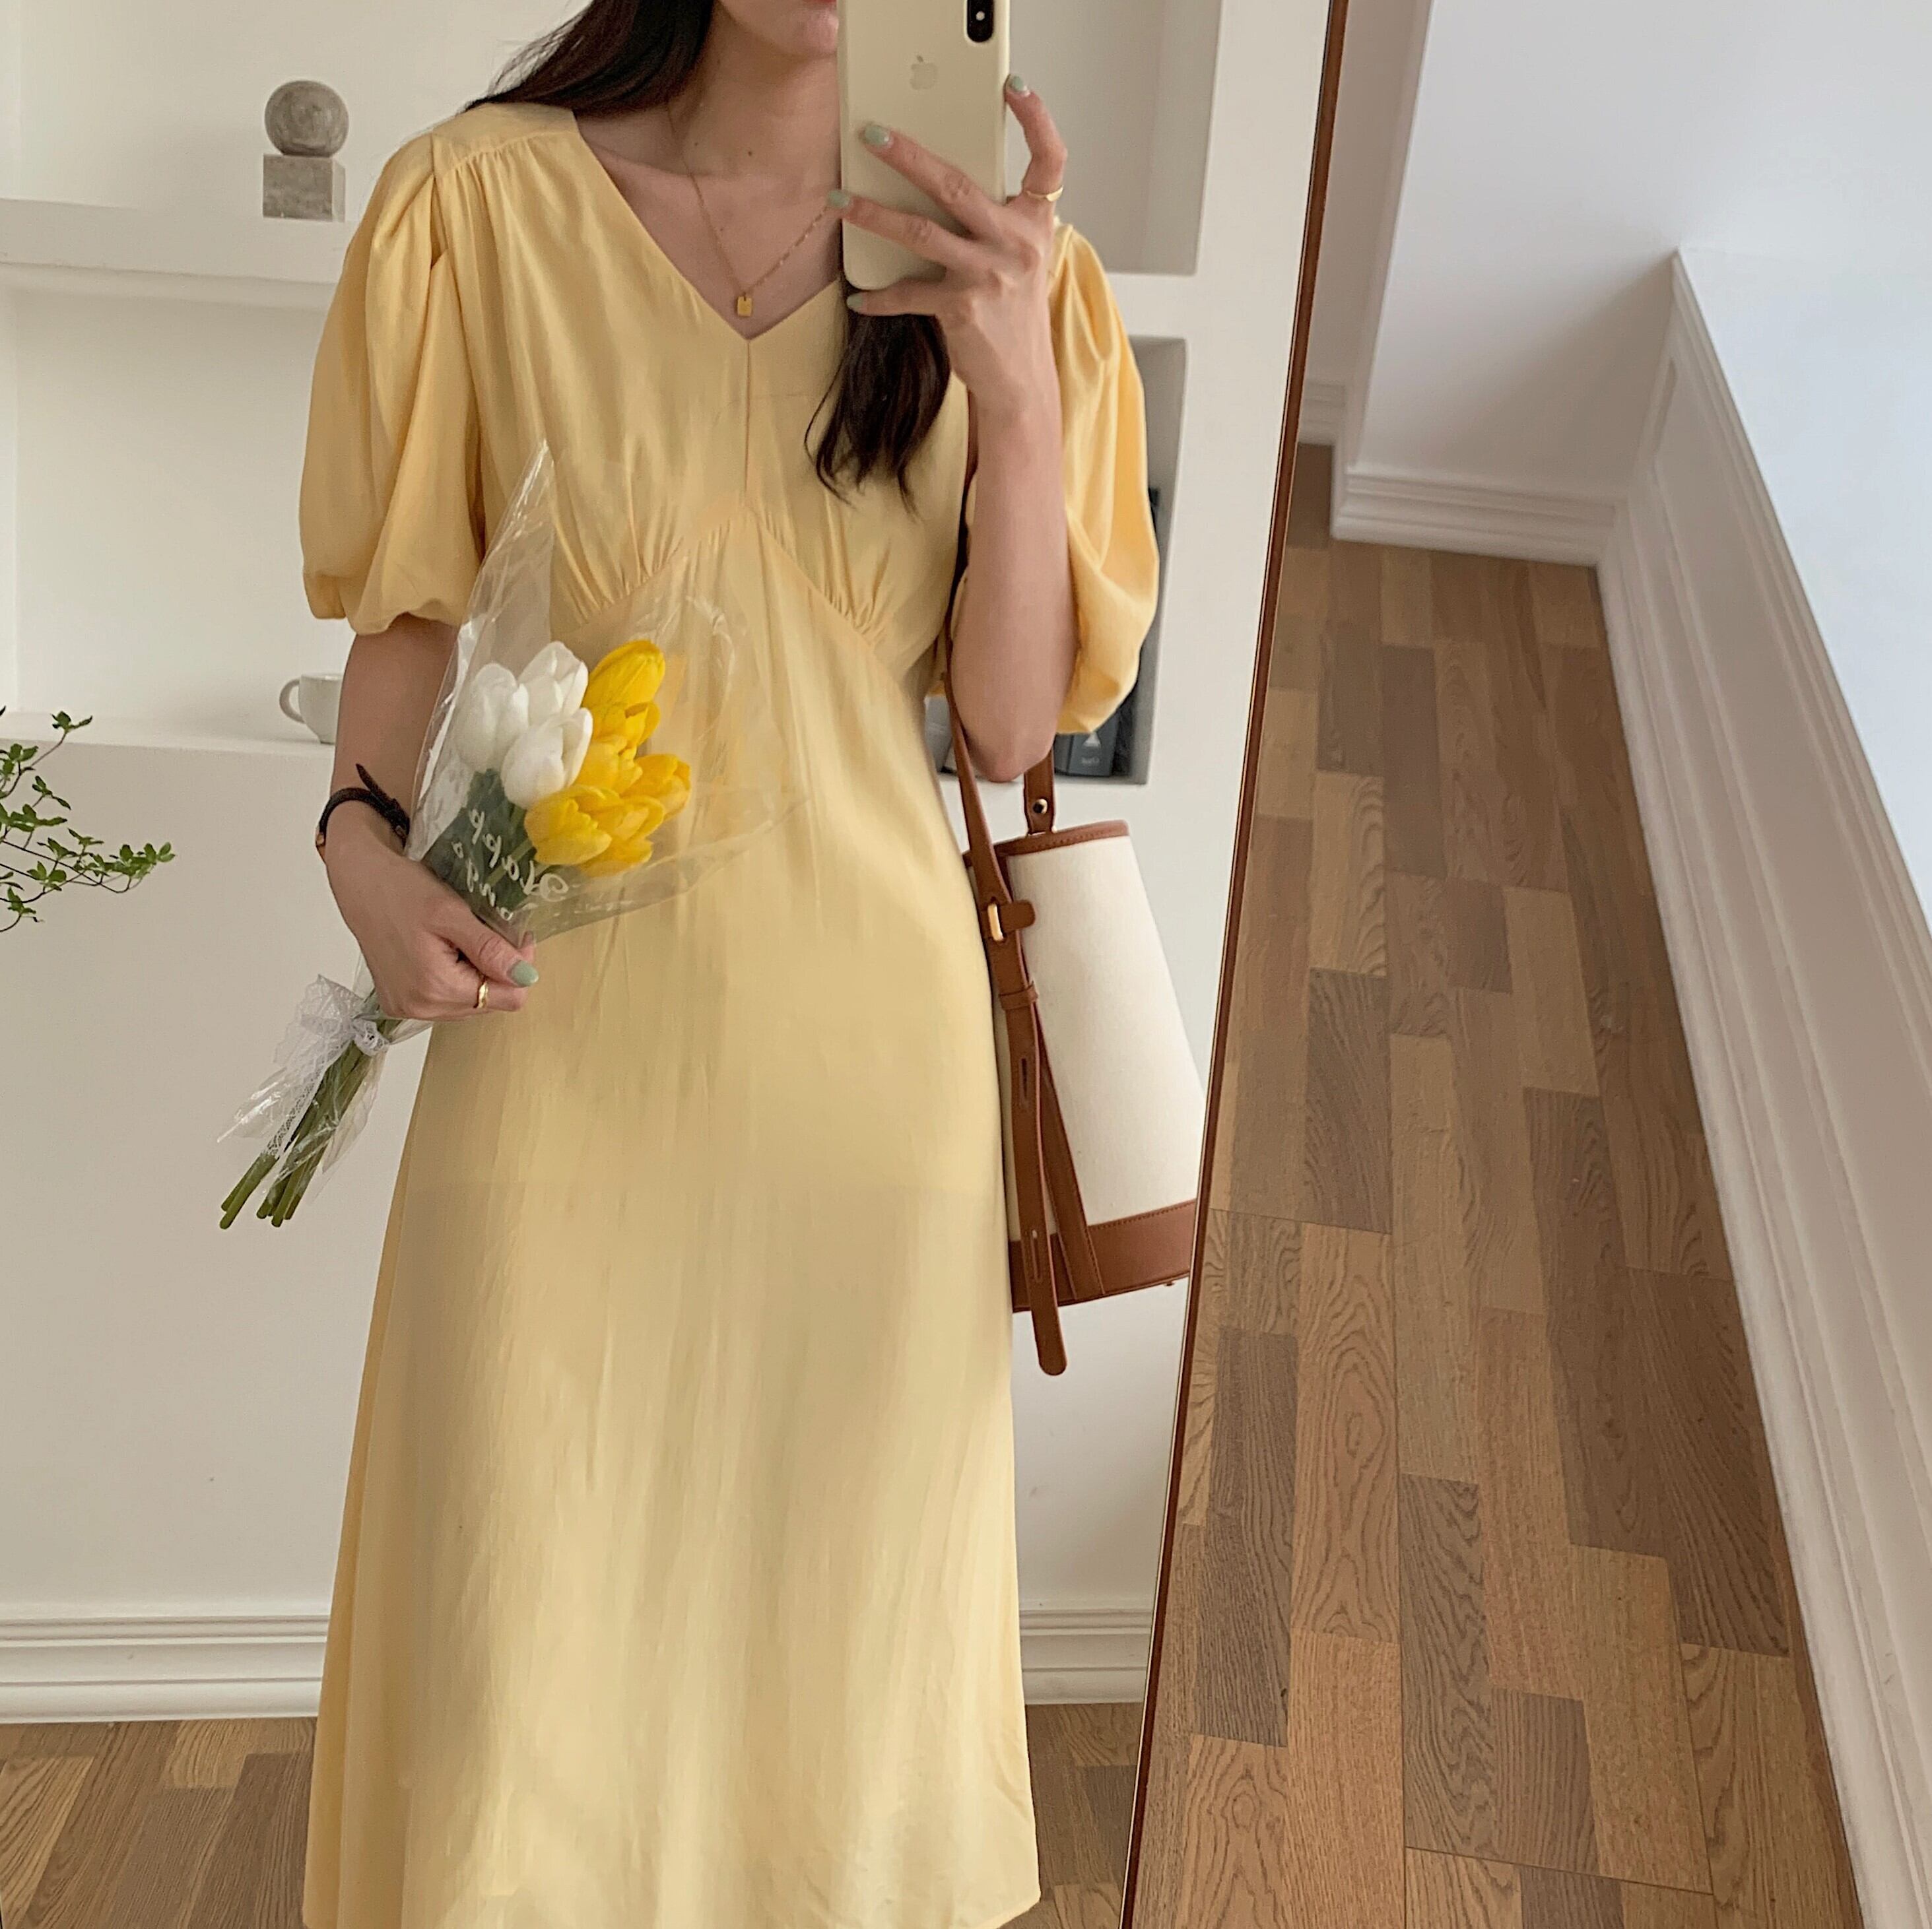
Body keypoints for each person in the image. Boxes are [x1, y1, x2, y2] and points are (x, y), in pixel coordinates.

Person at [296, 0, 1158, 1922]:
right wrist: (359, 851)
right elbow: (408, 616)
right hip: (556, 1043)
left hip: (872, 1084)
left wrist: (1016, 390)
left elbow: (1006, 724)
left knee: (827, 1678)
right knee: (520, 1630)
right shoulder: (475, 211)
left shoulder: (1019, 275)